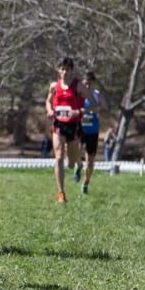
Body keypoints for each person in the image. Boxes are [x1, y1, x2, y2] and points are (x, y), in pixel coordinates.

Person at [45, 58, 83, 203]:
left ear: (72, 70)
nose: (64, 71)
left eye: (67, 69)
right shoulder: (54, 86)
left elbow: (93, 104)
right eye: (62, 68)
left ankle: (78, 165)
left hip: (73, 126)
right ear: (58, 70)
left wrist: (78, 111)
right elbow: (48, 101)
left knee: (70, 163)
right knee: (59, 156)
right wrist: (49, 110)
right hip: (58, 124)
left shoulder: (78, 86)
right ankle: (61, 193)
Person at [74, 71, 106, 195]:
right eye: (85, 83)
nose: (87, 86)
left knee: (90, 161)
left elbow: (104, 107)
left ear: (93, 83)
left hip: (92, 131)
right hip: (80, 128)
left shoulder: (97, 94)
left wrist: (97, 108)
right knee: (74, 150)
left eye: (89, 83)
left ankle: (85, 182)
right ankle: (78, 165)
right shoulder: (78, 95)